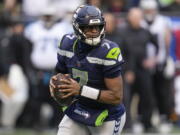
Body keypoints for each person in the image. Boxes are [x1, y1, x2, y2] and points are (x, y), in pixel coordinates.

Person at [49, 5, 126, 135]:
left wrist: (80, 90)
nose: (94, 31)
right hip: (79, 108)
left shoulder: (108, 51)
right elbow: (59, 72)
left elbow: (116, 96)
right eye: (89, 27)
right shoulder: (66, 43)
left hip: (107, 116)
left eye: (98, 27)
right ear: (77, 27)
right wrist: (56, 82)